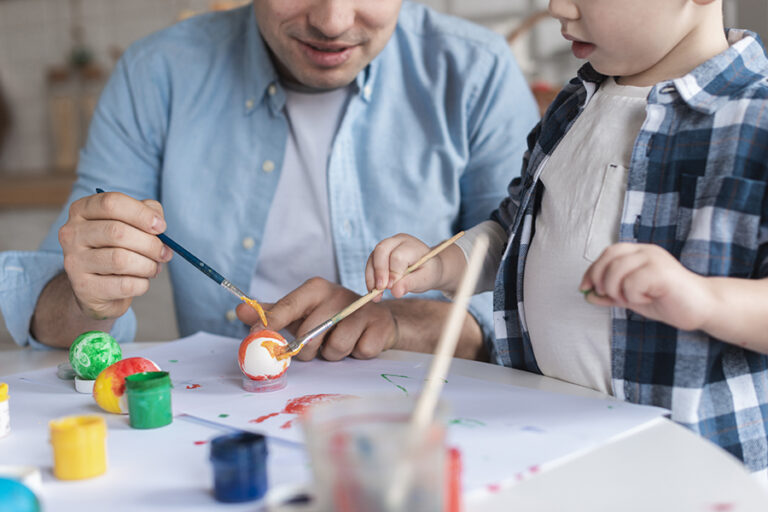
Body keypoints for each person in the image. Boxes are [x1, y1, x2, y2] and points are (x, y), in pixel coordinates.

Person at [0, 1, 538, 361]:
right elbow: (43, 317)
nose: (332, 21)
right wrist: (86, 299)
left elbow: (525, 301)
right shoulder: (156, 74)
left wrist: (398, 324)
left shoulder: (475, 70)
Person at [364, 0, 768, 477]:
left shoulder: (756, 120)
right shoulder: (574, 104)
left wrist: (703, 300)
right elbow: (513, 231)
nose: (557, 7)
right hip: (552, 443)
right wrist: (442, 263)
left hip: (696, 471)